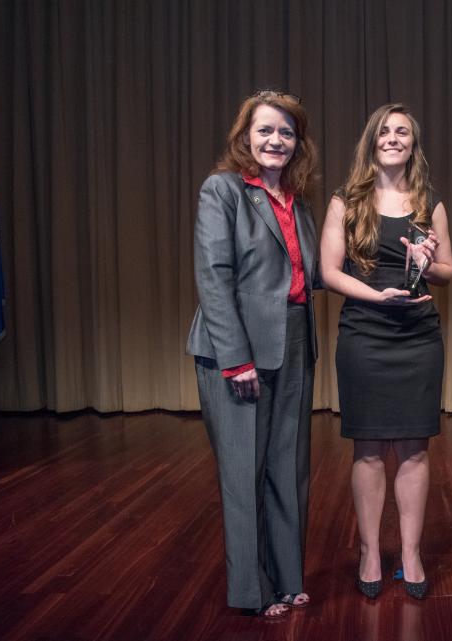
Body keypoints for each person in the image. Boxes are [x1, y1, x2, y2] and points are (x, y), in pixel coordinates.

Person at [186, 90, 319, 618]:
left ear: (297, 143)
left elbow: (311, 275)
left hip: (294, 340)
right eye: (265, 130)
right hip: (234, 345)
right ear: (245, 137)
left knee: (288, 469)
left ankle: (288, 579)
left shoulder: (298, 200)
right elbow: (213, 277)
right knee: (244, 473)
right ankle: (251, 591)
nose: (276, 140)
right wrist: (234, 359)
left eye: (287, 132)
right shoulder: (222, 190)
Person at [320, 103, 452, 600]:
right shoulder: (346, 201)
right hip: (365, 332)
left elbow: (448, 270)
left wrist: (428, 260)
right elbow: (329, 272)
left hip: (418, 335)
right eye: (385, 131)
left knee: (416, 448)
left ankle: (413, 553)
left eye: (403, 132)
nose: (393, 138)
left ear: (413, 144)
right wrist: (376, 295)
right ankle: (371, 551)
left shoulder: (428, 201)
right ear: (371, 142)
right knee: (370, 449)